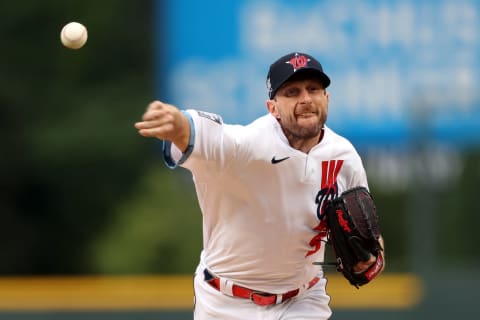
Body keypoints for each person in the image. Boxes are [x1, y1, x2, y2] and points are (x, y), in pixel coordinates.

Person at [135, 52, 383, 319]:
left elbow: (368, 230)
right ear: (272, 108)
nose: (306, 99)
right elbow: (197, 131)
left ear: (327, 98)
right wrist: (175, 121)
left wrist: (372, 256)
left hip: (302, 300)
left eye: (314, 89)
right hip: (225, 302)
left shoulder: (344, 157)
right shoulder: (246, 146)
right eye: (292, 92)